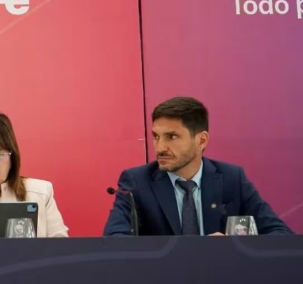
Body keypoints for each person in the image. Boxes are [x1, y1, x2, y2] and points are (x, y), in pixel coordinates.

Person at [104, 96, 293, 236]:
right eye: (156, 136)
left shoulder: (232, 178)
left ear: (201, 140)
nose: (160, 147)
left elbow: (280, 234)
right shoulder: (136, 182)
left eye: (172, 137)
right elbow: (115, 241)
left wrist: (235, 247)